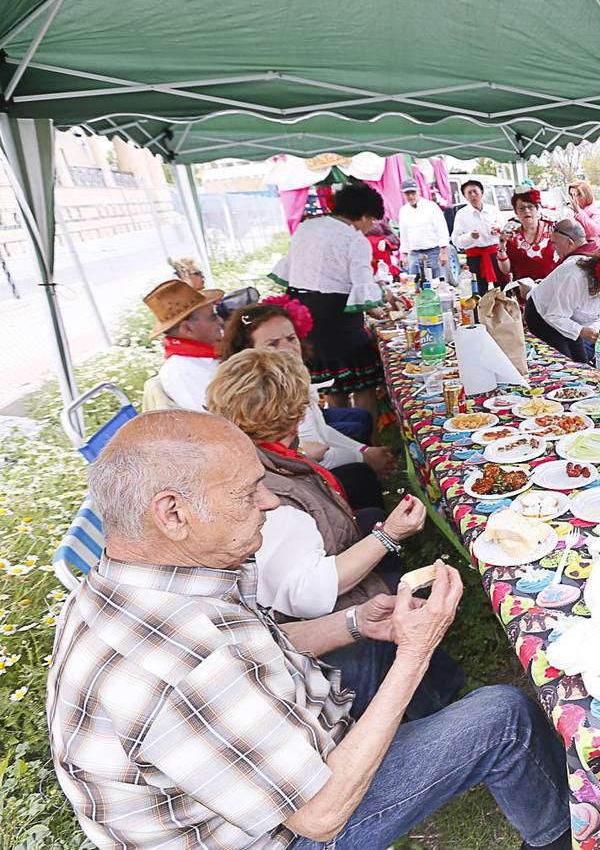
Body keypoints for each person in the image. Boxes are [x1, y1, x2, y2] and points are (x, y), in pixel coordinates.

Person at [47, 410, 570, 850]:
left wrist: (356, 622)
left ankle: (432, 748)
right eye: (247, 493)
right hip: (288, 831)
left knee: (366, 654)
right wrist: (416, 652)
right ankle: (556, 836)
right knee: (504, 717)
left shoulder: (138, 584)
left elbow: (252, 651)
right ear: (173, 513)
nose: (270, 503)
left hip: (258, 772)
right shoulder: (185, 664)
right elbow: (320, 816)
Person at [204, 348, 464, 718]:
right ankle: (433, 718)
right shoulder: (270, 495)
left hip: (310, 599)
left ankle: (442, 690)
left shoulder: (251, 456)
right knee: (386, 602)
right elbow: (310, 595)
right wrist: (388, 535)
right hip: (321, 636)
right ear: (294, 411)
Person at [219, 301, 397, 487]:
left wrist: (365, 450)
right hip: (295, 481)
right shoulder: (266, 394)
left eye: (291, 338)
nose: (288, 348)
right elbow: (317, 454)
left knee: (360, 421)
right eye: (272, 344)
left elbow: (321, 431)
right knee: (360, 474)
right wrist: (364, 457)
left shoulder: (290, 377)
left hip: (305, 467)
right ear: (248, 352)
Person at [270, 182, 389, 421]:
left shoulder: (306, 227)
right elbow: (362, 288)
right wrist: (380, 312)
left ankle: (344, 437)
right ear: (363, 216)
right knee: (362, 384)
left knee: (334, 383)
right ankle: (370, 445)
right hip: (337, 317)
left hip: (303, 314)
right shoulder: (354, 239)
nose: (371, 227)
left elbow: (294, 271)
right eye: (372, 221)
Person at [525, 250, 600, 364]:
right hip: (542, 316)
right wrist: (580, 331)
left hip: (570, 320)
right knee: (564, 363)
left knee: (581, 362)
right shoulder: (575, 278)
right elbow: (554, 315)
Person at [143, 278, 225, 411]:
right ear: (187, 329)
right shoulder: (184, 372)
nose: (220, 321)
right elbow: (224, 422)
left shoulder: (204, 355)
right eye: (212, 317)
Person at [451, 179, 506, 295]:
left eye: (475, 191)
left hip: (495, 254)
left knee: (503, 287)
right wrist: (470, 237)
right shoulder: (461, 214)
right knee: (478, 290)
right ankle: (481, 312)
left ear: (481, 192)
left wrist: (498, 229)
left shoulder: (493, 210)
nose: (473, 195)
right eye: (469, 193)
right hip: (475, 257)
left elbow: (505, 229)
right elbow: (456, 241)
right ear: (465, 197)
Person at [502, 186, 559, 287]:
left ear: (537, 209)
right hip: (524, 294)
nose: (526, 211)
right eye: (522, 208)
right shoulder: (511, 237)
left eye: (530, 207)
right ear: (516, 212)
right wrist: (501, 247)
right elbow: (506, 270)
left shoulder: (553, 229)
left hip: (554, 289)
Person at [396, 178, 451, 280]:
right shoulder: (403, 211)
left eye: (413, 193)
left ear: (418, 191)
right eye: (407, 194)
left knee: (437, 283)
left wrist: (443, 251)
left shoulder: (431, 207)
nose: (411, 196)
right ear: (403, 194)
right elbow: (403, 234)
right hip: (414, 254)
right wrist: (404, 255)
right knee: (415, 285)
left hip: (433, 252)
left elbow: (442, 229)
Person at [567, 179, 600, 251]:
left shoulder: (596, 209)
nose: (573, 199)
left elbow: (595, 231)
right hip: (576, 251)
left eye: (577, 195)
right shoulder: (572, 212)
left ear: (585, 195)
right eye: (571, 195)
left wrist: (579, 213)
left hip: (593, 251)